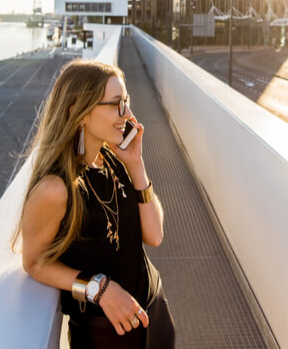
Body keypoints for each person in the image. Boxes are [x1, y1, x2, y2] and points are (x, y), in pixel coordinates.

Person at [16, 59, 175, 348]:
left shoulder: (113, 159)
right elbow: (34, 262)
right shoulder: (56, 189)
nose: (128, 114)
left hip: (155, 314)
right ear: (78, 112)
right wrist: (98, 288)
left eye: (126, 102)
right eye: (116, 104)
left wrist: (137, 166)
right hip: (106, 334)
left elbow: (154, 235)